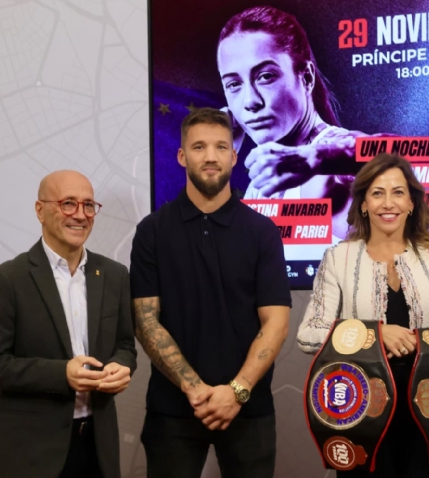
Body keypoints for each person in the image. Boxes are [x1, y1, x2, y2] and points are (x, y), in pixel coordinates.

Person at [297, 153, 429, 477]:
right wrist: (373, 335)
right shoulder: (338, 258)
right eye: (377, 193)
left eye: (398, 192)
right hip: (362, 411)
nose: (388, 203)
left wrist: (423, 340)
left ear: (412, 203)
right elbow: (308, 334)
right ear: (363, 204)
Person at [131, 107, 291, 478]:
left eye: (220, 147)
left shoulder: (262, 231)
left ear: (234, 156)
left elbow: (276, 323)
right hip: (173, 410)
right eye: (199, 147)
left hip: (248, 408)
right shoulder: (152, 231)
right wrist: (194, 389)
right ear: (182, 156)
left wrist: (236, 392)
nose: (210, 157)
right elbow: (145, 320)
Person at [0, 171, 137, 478]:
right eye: (68, 204)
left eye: (89, 205)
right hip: (32, 454)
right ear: (40, 210)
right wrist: (61, 374)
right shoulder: (7, 279)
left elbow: (125, 346)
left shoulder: (114, 275)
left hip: (98, 449)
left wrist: (121, 365)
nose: (80, 215)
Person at [217, 6, 371, 240]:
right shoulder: (260, 185)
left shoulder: (332, 163)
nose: (250, 101)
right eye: (234, 84)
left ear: (306, 77)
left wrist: (319, 158)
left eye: (265, 76)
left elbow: (408, 158)